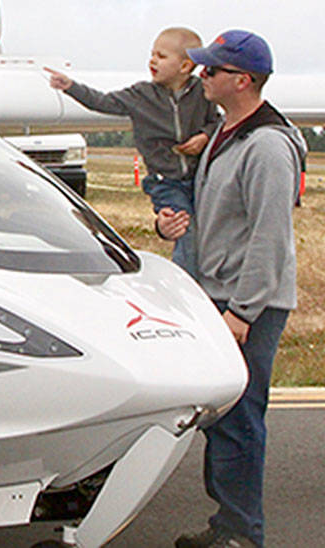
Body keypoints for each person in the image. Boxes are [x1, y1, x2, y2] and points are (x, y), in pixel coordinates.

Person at [156, 30, 305, 548]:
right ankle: (228, 525)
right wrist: (170, 222)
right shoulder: (225, 133)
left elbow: (271, 237)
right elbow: (213, 212)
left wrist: (242, 312)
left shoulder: (266, 147)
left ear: (241, 81)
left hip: (246, 303)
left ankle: (241, 534)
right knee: (221, 419)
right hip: (216, 294)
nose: (201, 75)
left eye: (212, 71)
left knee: (240, 419)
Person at [45, 27, 219, 278]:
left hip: (201, 177)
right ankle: (187, 284)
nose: (152, 60)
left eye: (161, 56)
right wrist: (71, 87)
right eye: (152, 54)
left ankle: (211, 278)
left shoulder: (203, 93)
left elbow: (217, 121)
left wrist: (204, 136)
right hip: (166, 181)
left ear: (184, 66)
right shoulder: (141, 95)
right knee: (185, 229)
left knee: (209, 230)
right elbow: (103, 101)